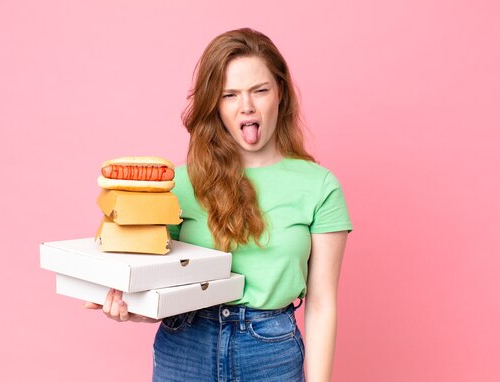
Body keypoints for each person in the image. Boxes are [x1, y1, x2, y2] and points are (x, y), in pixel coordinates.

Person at [85, 27, 352, 381]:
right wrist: (133, 307)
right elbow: (162, 283)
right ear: (216, 104)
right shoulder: (176, 185)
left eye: (260, 90)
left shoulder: (319, 187)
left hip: (270, 351)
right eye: (230, 95)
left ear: (281, 94)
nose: (247, 106)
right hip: (185, 344)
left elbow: (321, 305)